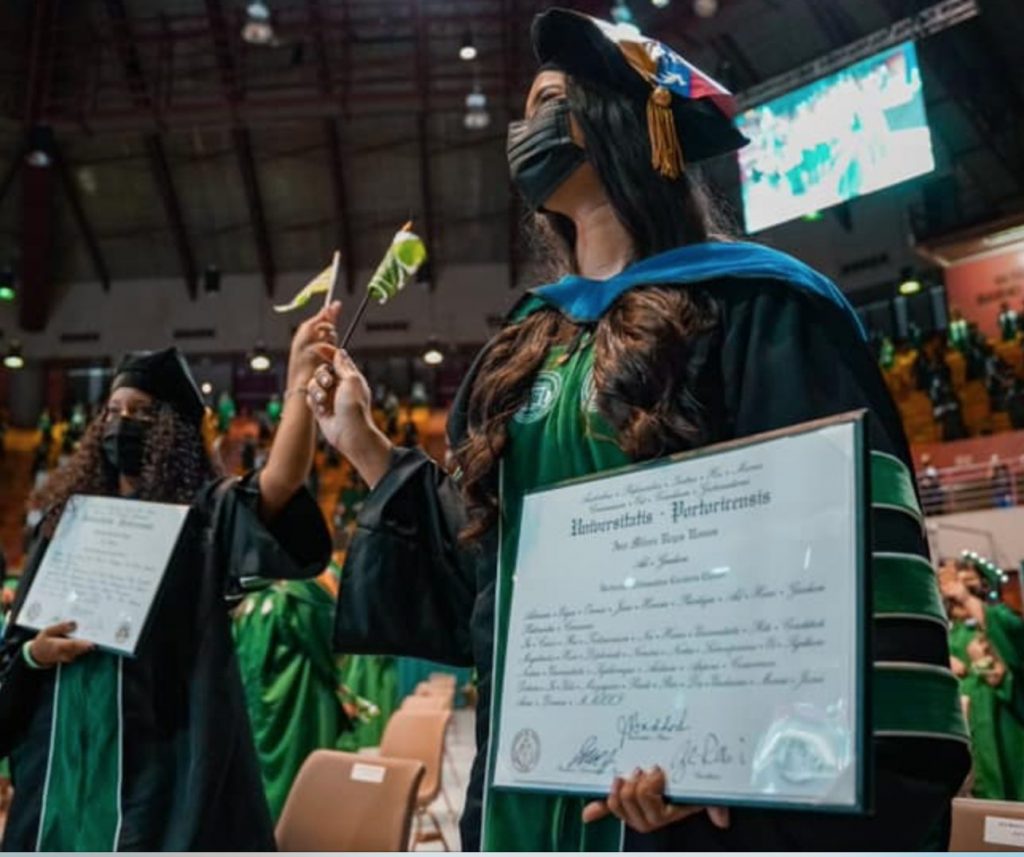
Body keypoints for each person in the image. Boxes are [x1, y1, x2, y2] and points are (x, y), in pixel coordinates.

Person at [309, 9, 969, 851]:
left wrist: (745, 761)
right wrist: (363, 443)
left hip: (689, 804)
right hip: (528, 794)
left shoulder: (758, 312)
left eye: (550, 99)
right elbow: (487, 593)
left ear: (632, 119)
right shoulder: (520, 351)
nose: (526, 128)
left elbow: (831, 567)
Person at [0, 306, 337, 851]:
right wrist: (38, 654)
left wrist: (297, 385)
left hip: (156, 774)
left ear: (172, 428)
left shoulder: (199, 521)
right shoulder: (68, 523)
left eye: (140, 411)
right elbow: (18, 651)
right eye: (111, 411)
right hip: (62, 763)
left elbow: (278, 485)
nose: (119, 424)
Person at [233, 564, 354, 822]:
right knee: (305, 782)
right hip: (301, 704)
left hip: (262, 708)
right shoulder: (303, 597)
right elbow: (330, 644)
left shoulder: (248, 602)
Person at [942, 563, 1024, 801]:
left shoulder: (998, 618)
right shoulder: (948, 630)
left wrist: (967, 598)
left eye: (968, 584)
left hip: (999, 716)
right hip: (964, 718)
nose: (957, 593)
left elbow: (1015, 642)